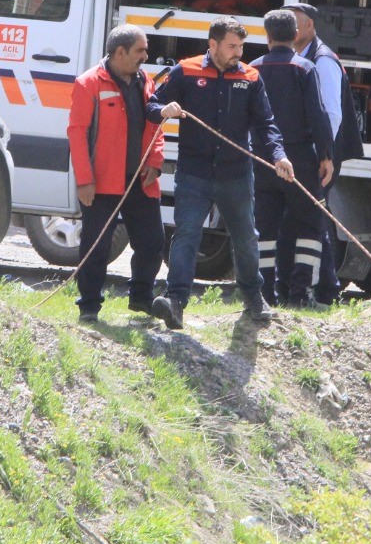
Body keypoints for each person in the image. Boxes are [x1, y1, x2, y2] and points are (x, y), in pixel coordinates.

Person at [147, 17, 295, 330]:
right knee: (187, 232)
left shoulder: (251, 77)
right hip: (194, 172)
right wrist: (163, 111)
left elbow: (266, 124)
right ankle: (175, 301)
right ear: (212, 44)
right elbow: (152, 103)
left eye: (241, 46)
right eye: (232, 46)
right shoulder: (185, 70)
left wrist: (279, 156)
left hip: (236, 174)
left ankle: (254, 298)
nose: (238, 52)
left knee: (245, 237)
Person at [67, 25, 169, 325]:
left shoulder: (145, 82)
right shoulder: (88, 83)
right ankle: (89, 306)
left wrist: (155, 160)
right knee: (96, 246)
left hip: (140, 180)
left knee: (152, 242)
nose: (146, 56)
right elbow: (76, 133)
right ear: (119, 52)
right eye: (140, 50)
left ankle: (140, 299)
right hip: (101, 182)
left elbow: (155, 127)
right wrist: (84, 180)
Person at [251, 11, 333, 308]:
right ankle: (302, 295)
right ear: (295, 33)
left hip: (261, 158)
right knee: (311, 225)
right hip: (299, 157)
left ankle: (263, 295)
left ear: (267, 36)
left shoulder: (252, 68)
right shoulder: (305, 68)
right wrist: (326, 155)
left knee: (265, 229)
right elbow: (318, 115)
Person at [287, 2, 364, 306]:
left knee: (313, 219)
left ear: (309, 26)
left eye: (295, 23)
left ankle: (324, 288)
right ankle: (328, 286)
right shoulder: (301, 57)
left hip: (322, 158)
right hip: (312, 155)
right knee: (315, 219)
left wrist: (323, 156)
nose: (291, 29)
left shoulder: (322, 61)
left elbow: (331, 114)